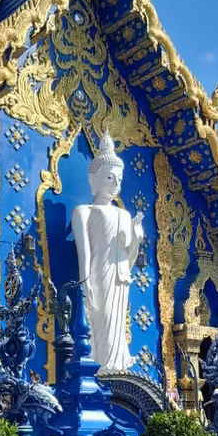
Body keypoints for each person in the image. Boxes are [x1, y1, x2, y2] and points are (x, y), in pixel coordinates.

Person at [71, 131, 144, 375]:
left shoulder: (124, 215)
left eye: (119, 180)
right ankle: (102, 368)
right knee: (99, 324)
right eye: (110, 178)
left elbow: (130, 259)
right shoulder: (84, 211)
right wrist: (85, 282)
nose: (115, 185)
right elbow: (84, 252)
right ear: (94, 179)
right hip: (98, 275)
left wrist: (137, 238)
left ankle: (117, 368)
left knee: (117, 328)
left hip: (120, 277)